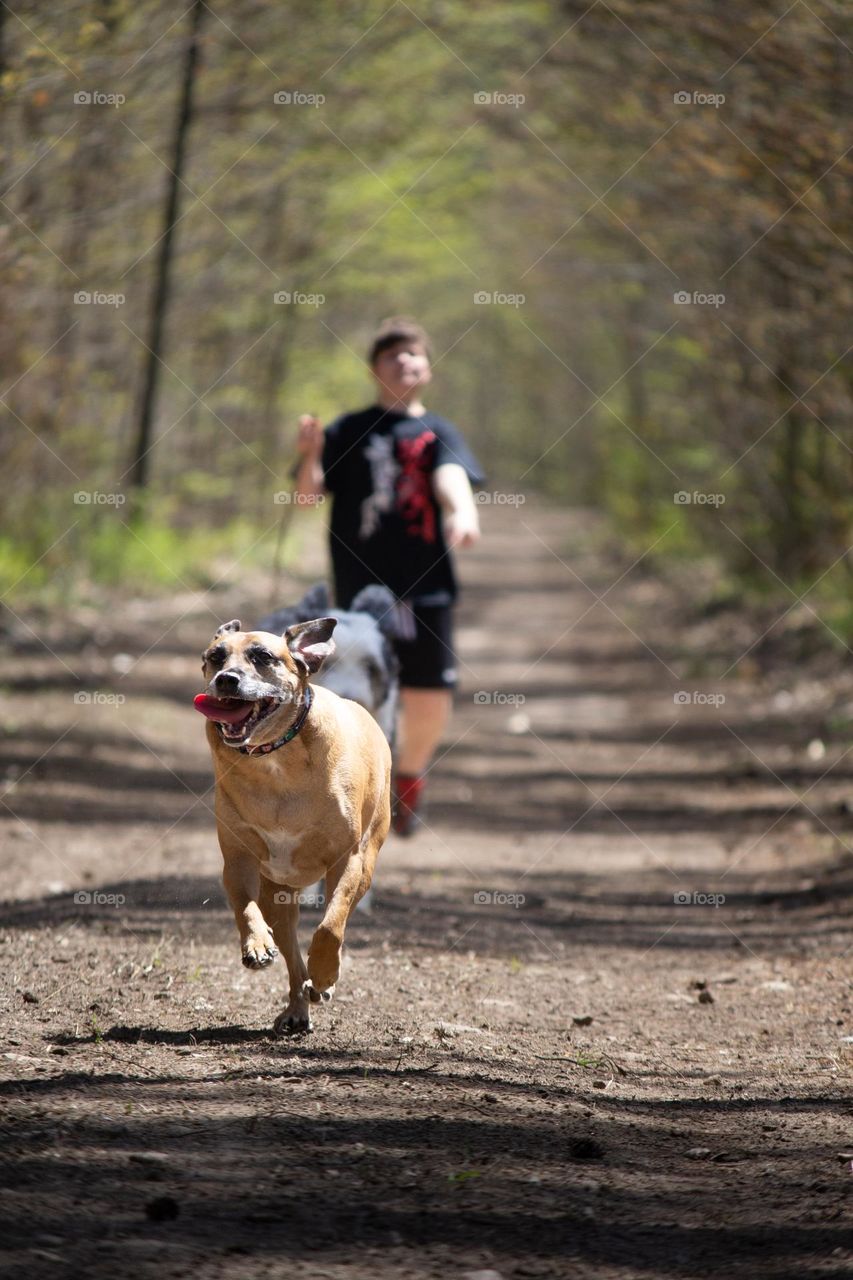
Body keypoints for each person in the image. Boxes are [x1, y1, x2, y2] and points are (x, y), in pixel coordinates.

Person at [294, 316, 484, 836]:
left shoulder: (439, 430)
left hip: (428, 586)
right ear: (374, 370)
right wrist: (312, 456)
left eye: (414, 355)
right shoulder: (348, 430)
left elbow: (450, 475)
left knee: (428, 693)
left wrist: (461, 513)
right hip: (359, 593)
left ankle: (408, 778)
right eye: (392, 356)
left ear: (427, 368)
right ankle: (355, 788)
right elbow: (308, 496)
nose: (405, 363)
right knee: (354, 691)